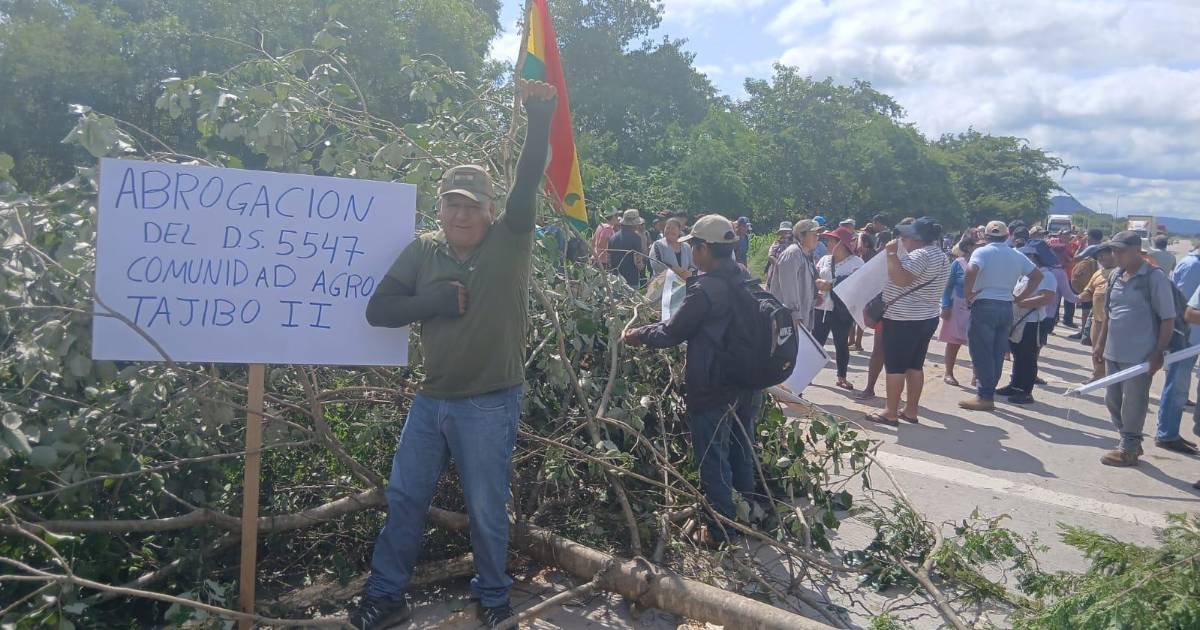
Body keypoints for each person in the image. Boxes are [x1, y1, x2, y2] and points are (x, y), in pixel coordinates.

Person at [353, 80, 556, 630]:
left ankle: (492, 598)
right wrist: (433, 302)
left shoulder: (510, 238)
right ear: (439, 206)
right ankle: (387, 594)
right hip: (431, 401)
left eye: (471, 206)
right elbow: (379, 310)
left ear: (490, 210)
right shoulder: (424, 249)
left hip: (489, 402)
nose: (461, 215)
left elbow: (528, 179)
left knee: (487, 509)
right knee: (404, 499)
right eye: (451, 204)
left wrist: (539, 120)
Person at [624, 214, 764, 545]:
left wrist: (636, 335)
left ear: (703, 249)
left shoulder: (705, 290)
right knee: (741, 447)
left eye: (694, 248)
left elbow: (673, 331)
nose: (692, 254)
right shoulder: (745, 277)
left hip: (713, 386)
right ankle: (748, 511)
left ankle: (720, 530)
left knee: (712, 456)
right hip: (746, 382)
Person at [1092, 231, 1178, 467]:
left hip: (1140, 355)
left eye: (1120, 251)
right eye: (1113, 251)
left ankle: (1129, 448)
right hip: (1113, 351)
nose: (1115, 255)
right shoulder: (1115, 276)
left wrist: (1158, 352)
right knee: (1113, 400)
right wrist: (1100, 343)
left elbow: (1168, 318)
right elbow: (1109, 314)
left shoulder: (1153, 278)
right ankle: (1128, 440)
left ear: (1137, 250)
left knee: (1134, 402)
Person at [866, 217, 950, 425]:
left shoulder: (920, 255)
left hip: (904, 318)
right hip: (926, 316)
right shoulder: (941, 256)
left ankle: (890, 412)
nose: (902, 240)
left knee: (895, 366)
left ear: (916, 238)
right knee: (915, 365)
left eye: (905, 236)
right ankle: (910, 410)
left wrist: (892, 254)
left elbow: (901, 279)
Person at [959, 221, 1044, 412]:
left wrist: (968, 294)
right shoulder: (1016, 254)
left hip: (984, 304)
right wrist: (1019, 297)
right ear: (1007, 236)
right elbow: (1037, 276)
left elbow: (971, 271)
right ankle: (988, 391)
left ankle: (985, 395)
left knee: (981, 352)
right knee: (998, 352)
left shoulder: (983, 252)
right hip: (1006, 306)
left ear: (985, 237)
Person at [996, 245, 1058, 404]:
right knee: (1018, 355)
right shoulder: (1025, 275)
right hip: (1019, 320)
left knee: (1028, 357)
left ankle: (1025, 391)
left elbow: (1047, 297)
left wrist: (1021, 303)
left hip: (1032, 321)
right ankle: (1015, 385)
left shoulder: (1047, 275)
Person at [1154, 246, 1200, 454]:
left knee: (1179, 386)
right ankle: (1167, 434)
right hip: (1186, 338)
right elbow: (1183, 305)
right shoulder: (1194, 266)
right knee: (1177, 386)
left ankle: (1169, 431)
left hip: (1191, 338)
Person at [813, 226, 864, 391]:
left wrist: (832, 285)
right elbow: (814, 276)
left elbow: (857, 286)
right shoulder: (824, 260)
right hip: (821, 308)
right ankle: (807, 375)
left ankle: (842, 377)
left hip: (842, 310)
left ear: (841, 244)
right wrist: (818, 286)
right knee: (816, 343)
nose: (828, 243)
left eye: (831, 240)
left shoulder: (856, 263)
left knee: (841, 343)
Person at [939, 235, 980, 386]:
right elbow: (948, 286)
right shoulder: (958, 264)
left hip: (977, 306)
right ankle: (948, 373)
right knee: (953, 342)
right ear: (969, 247)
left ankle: (976, 375)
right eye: (977, 245)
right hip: (957, 306)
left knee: (977, 343)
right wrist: (945, 305)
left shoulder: (985, 263)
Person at [768, 219, 820, 331]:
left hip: (800, 319)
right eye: (813, 234)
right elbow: (789, 289)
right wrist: (796, 315)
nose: (817, 238)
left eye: (817, 235)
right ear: (801, 236)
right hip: (789, 321)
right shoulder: (793, 254)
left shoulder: (805, 254)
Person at [1076, 244, 1117, 379]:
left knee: (1114, 353)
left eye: (1104, 254)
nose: (1100, 257)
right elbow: (1089, 291)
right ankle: (1097, 374)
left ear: (1114, 254)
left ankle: (1113, 378)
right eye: (1098, 255)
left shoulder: (1120, 272)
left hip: (1115, 322)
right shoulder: (1097, 273)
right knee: (1096, 350)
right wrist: (1079, 297)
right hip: (1098, 319)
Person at [1068, 229, 1104, 341]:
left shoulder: (1092, 247)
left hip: (1090, 280)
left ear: (1090, 237)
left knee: (1086, 308)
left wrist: (1081, 246)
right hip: (1101, 279)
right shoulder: (1103, 247)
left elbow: (1075, 258)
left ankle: (1084, 332)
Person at [610, 209, 648, 289]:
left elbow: (609, 258)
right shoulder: (636, 238)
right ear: (634, 224)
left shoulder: (613, 237)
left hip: (615, 278)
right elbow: (638, 261)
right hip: (631, 279)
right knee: (632, 301)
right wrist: (643, 266)